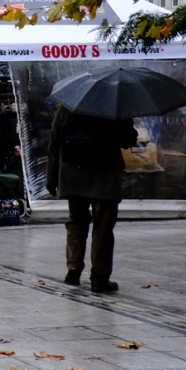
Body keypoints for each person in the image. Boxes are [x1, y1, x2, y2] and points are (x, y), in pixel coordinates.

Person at [46, 106, 137, 293]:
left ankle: (73, 268)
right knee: (103, 228)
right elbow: (127, 140)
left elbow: (55, 141)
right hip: (104, 176)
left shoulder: (68, 107)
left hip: (72, 173)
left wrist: (51, 176)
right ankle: (99, 278)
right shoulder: (115, 106)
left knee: (76, 222)